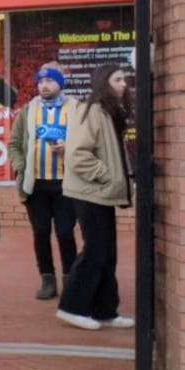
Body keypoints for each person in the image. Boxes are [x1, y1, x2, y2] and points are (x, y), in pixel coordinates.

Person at [57, 64, 135, 331]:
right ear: (104, 82)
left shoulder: (108, 112)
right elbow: (78, 155)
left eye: (124, 79)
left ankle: (105, 310)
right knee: (95, 251)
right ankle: (71, 307)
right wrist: (108, 176)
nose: (124, 83)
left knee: (107, 252)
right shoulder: (90, 111)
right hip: (89, 193)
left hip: (101, 193)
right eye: (118, 79)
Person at [10, 64, 81, 302]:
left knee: (64, 232)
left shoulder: (76, 109)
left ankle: (71, 280)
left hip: (66, 184)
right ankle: (47, 279)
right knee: (41, 232)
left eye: (50, 81)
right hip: (36, 185)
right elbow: (14, 143)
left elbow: (87, 142)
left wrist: (68, 150)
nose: (44, 86)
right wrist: (21, 166)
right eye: (41, 82)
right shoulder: (28, 110)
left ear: (60, 83)